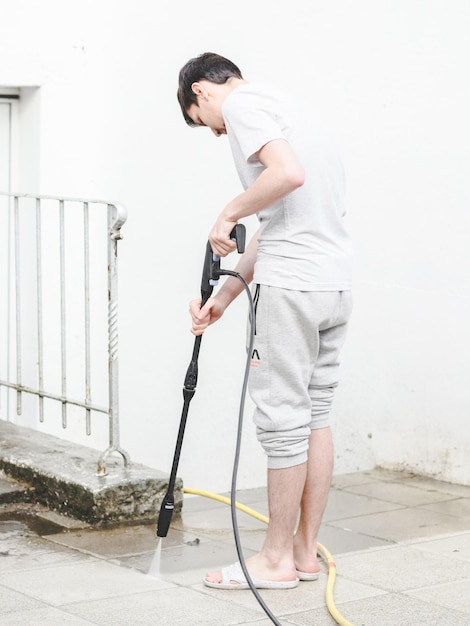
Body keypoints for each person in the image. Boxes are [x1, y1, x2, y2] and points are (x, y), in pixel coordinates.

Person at [177, 52, 353, 590]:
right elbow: (282, 220)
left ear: (203, 91)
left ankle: (273, 561)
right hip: (334, 283)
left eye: (199, 120)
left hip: (293, 287)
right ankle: (301, 555)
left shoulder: (246, 104)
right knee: (314, 414)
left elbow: (286, 175)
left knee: (282, 423)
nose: (212, 133)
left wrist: (228, 212)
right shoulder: (298, 110)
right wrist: (227, 295)